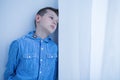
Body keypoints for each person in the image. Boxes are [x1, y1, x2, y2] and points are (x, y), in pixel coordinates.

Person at [4, 7, 58, 80]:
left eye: (57, 22)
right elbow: (9, 74)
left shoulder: (55, 48)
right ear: (38, 18)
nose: (55, 22)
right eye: (51, 18)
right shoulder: (19, 44)